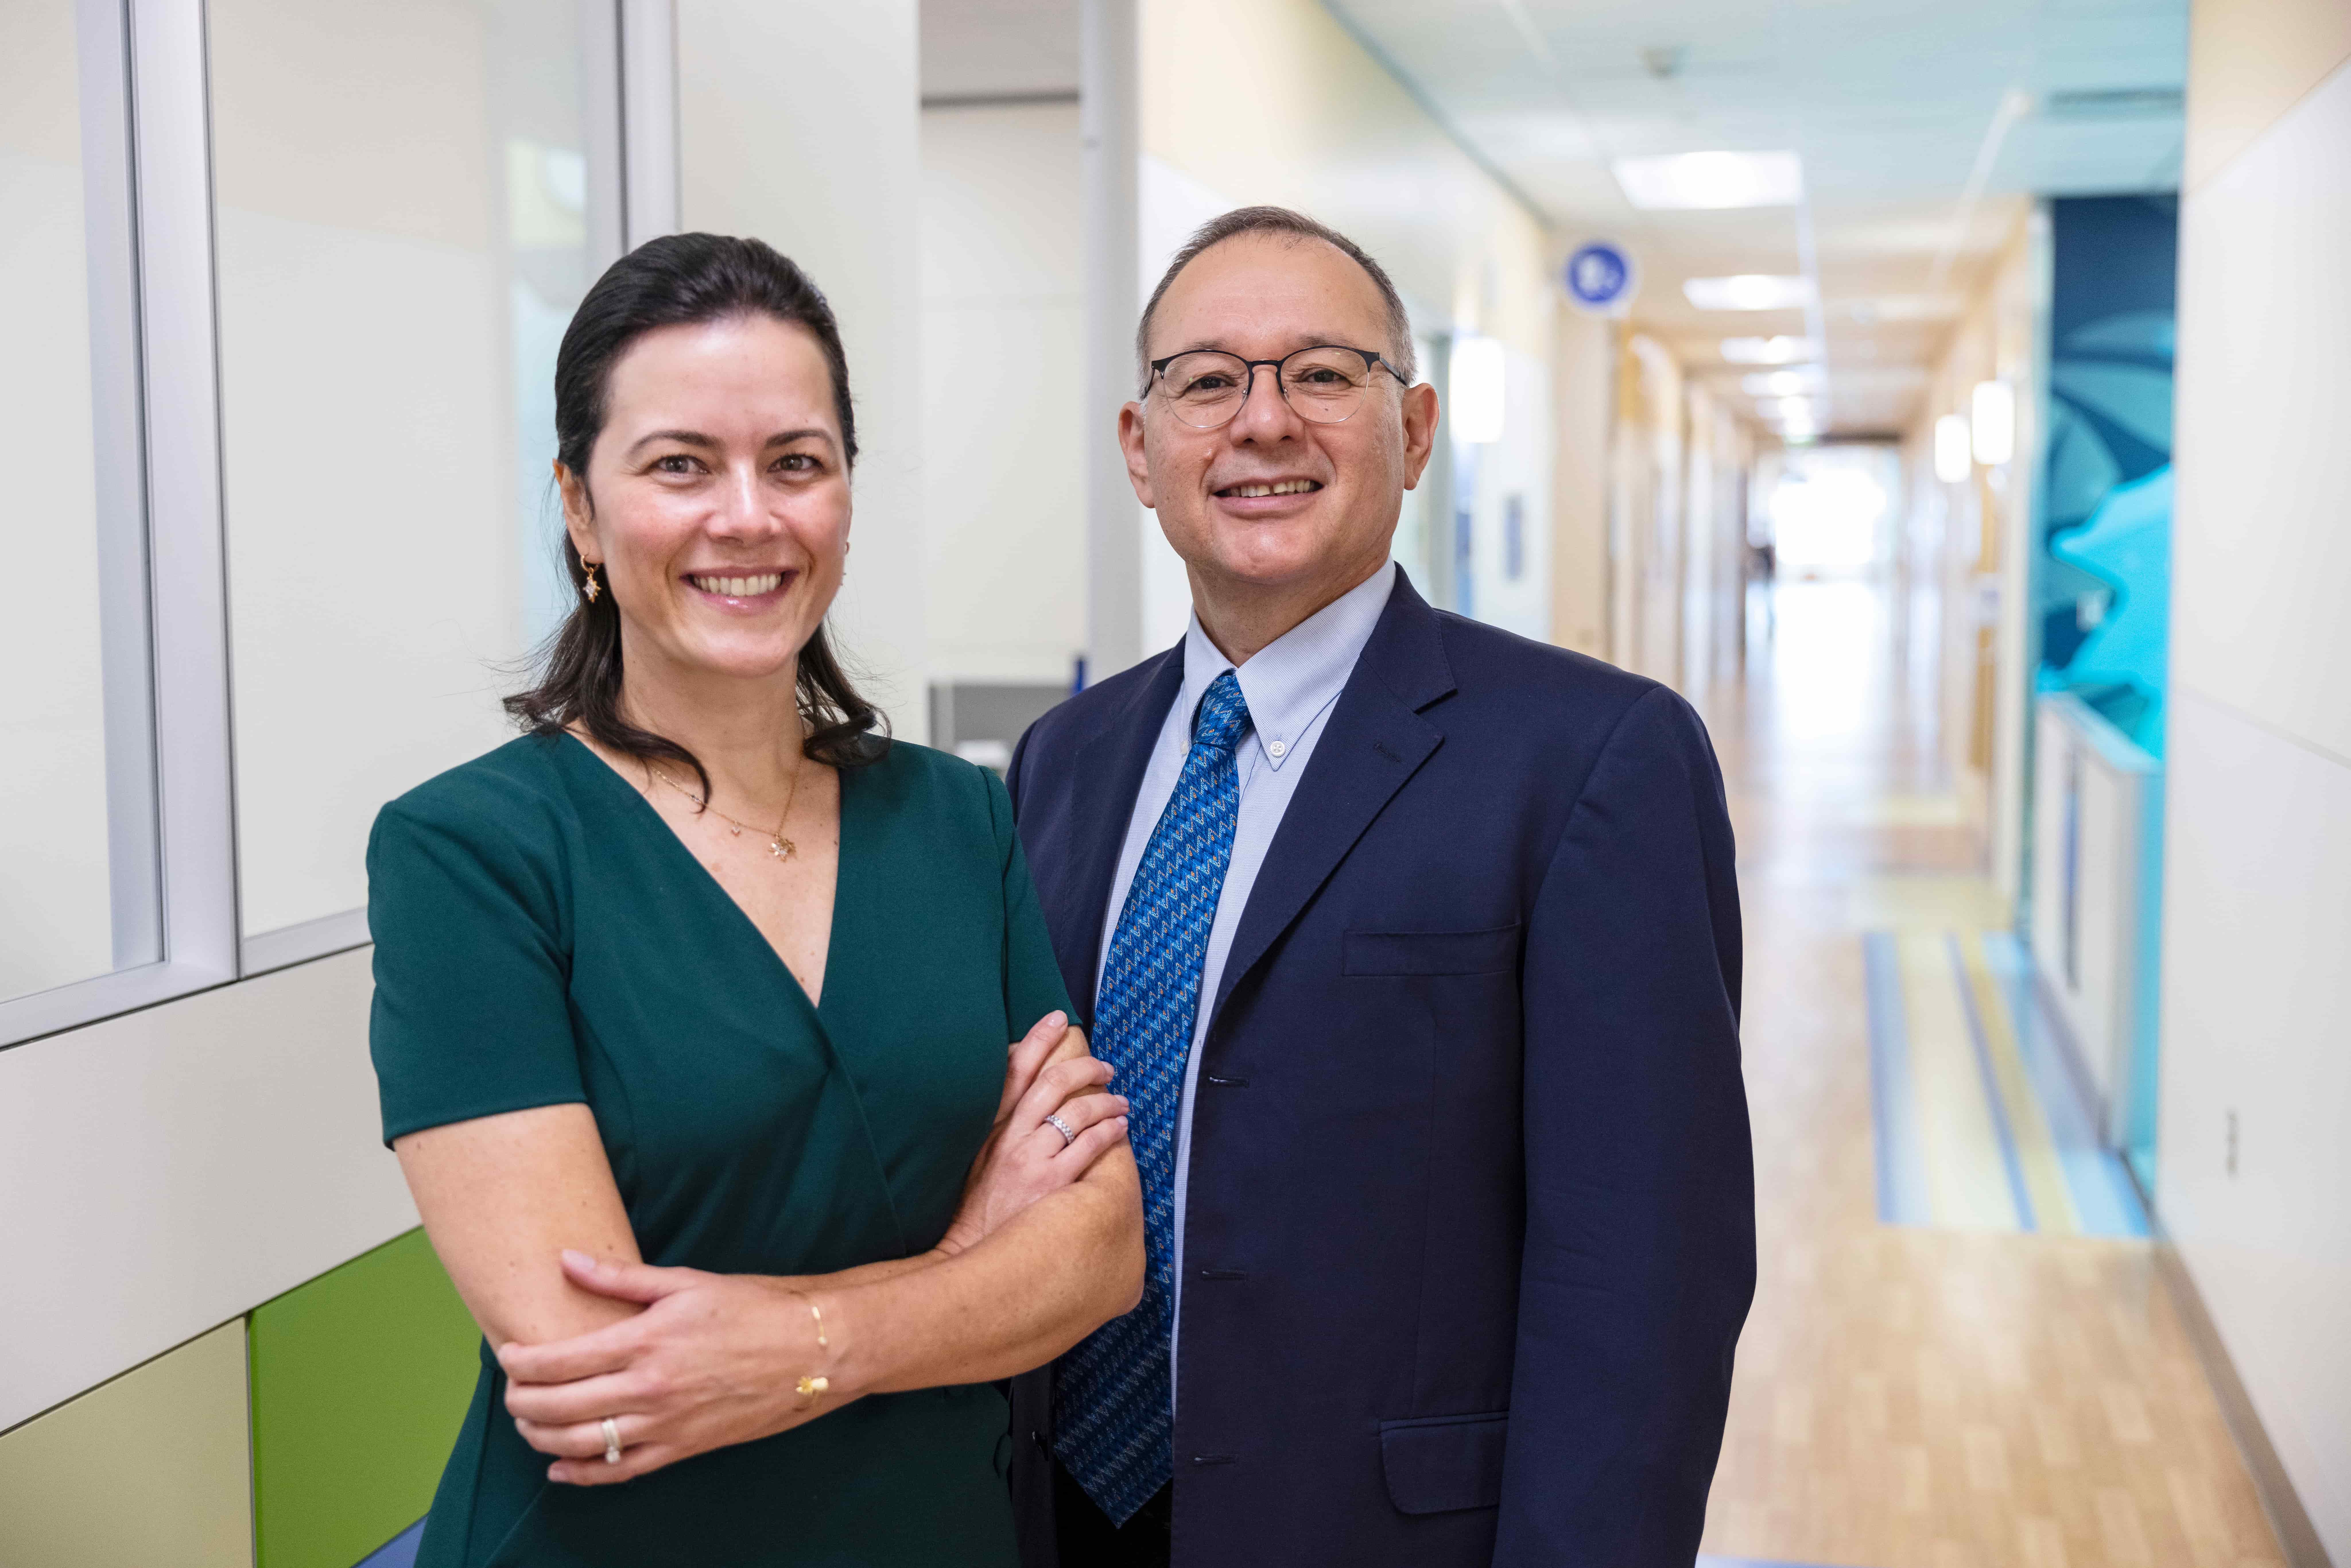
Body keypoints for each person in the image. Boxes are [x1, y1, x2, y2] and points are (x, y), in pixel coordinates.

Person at [366, 233, 1143, 1568]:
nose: (747, 516)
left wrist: (786, 1343)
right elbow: (604, 1381)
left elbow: (1099, 1252)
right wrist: (969, 1264)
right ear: (579, 508)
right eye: (679, 465)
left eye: (795, 461)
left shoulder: (956, 818)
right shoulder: (473, 852)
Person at [1004, 207, 1754, 1567]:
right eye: (1207, 380)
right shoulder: (1064, 759)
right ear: (1140, 447)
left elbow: (1645, 1276)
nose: (1263, 421)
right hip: (1064, 1517)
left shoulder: (1591, 757)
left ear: (1412, 432)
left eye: (1321, 373)